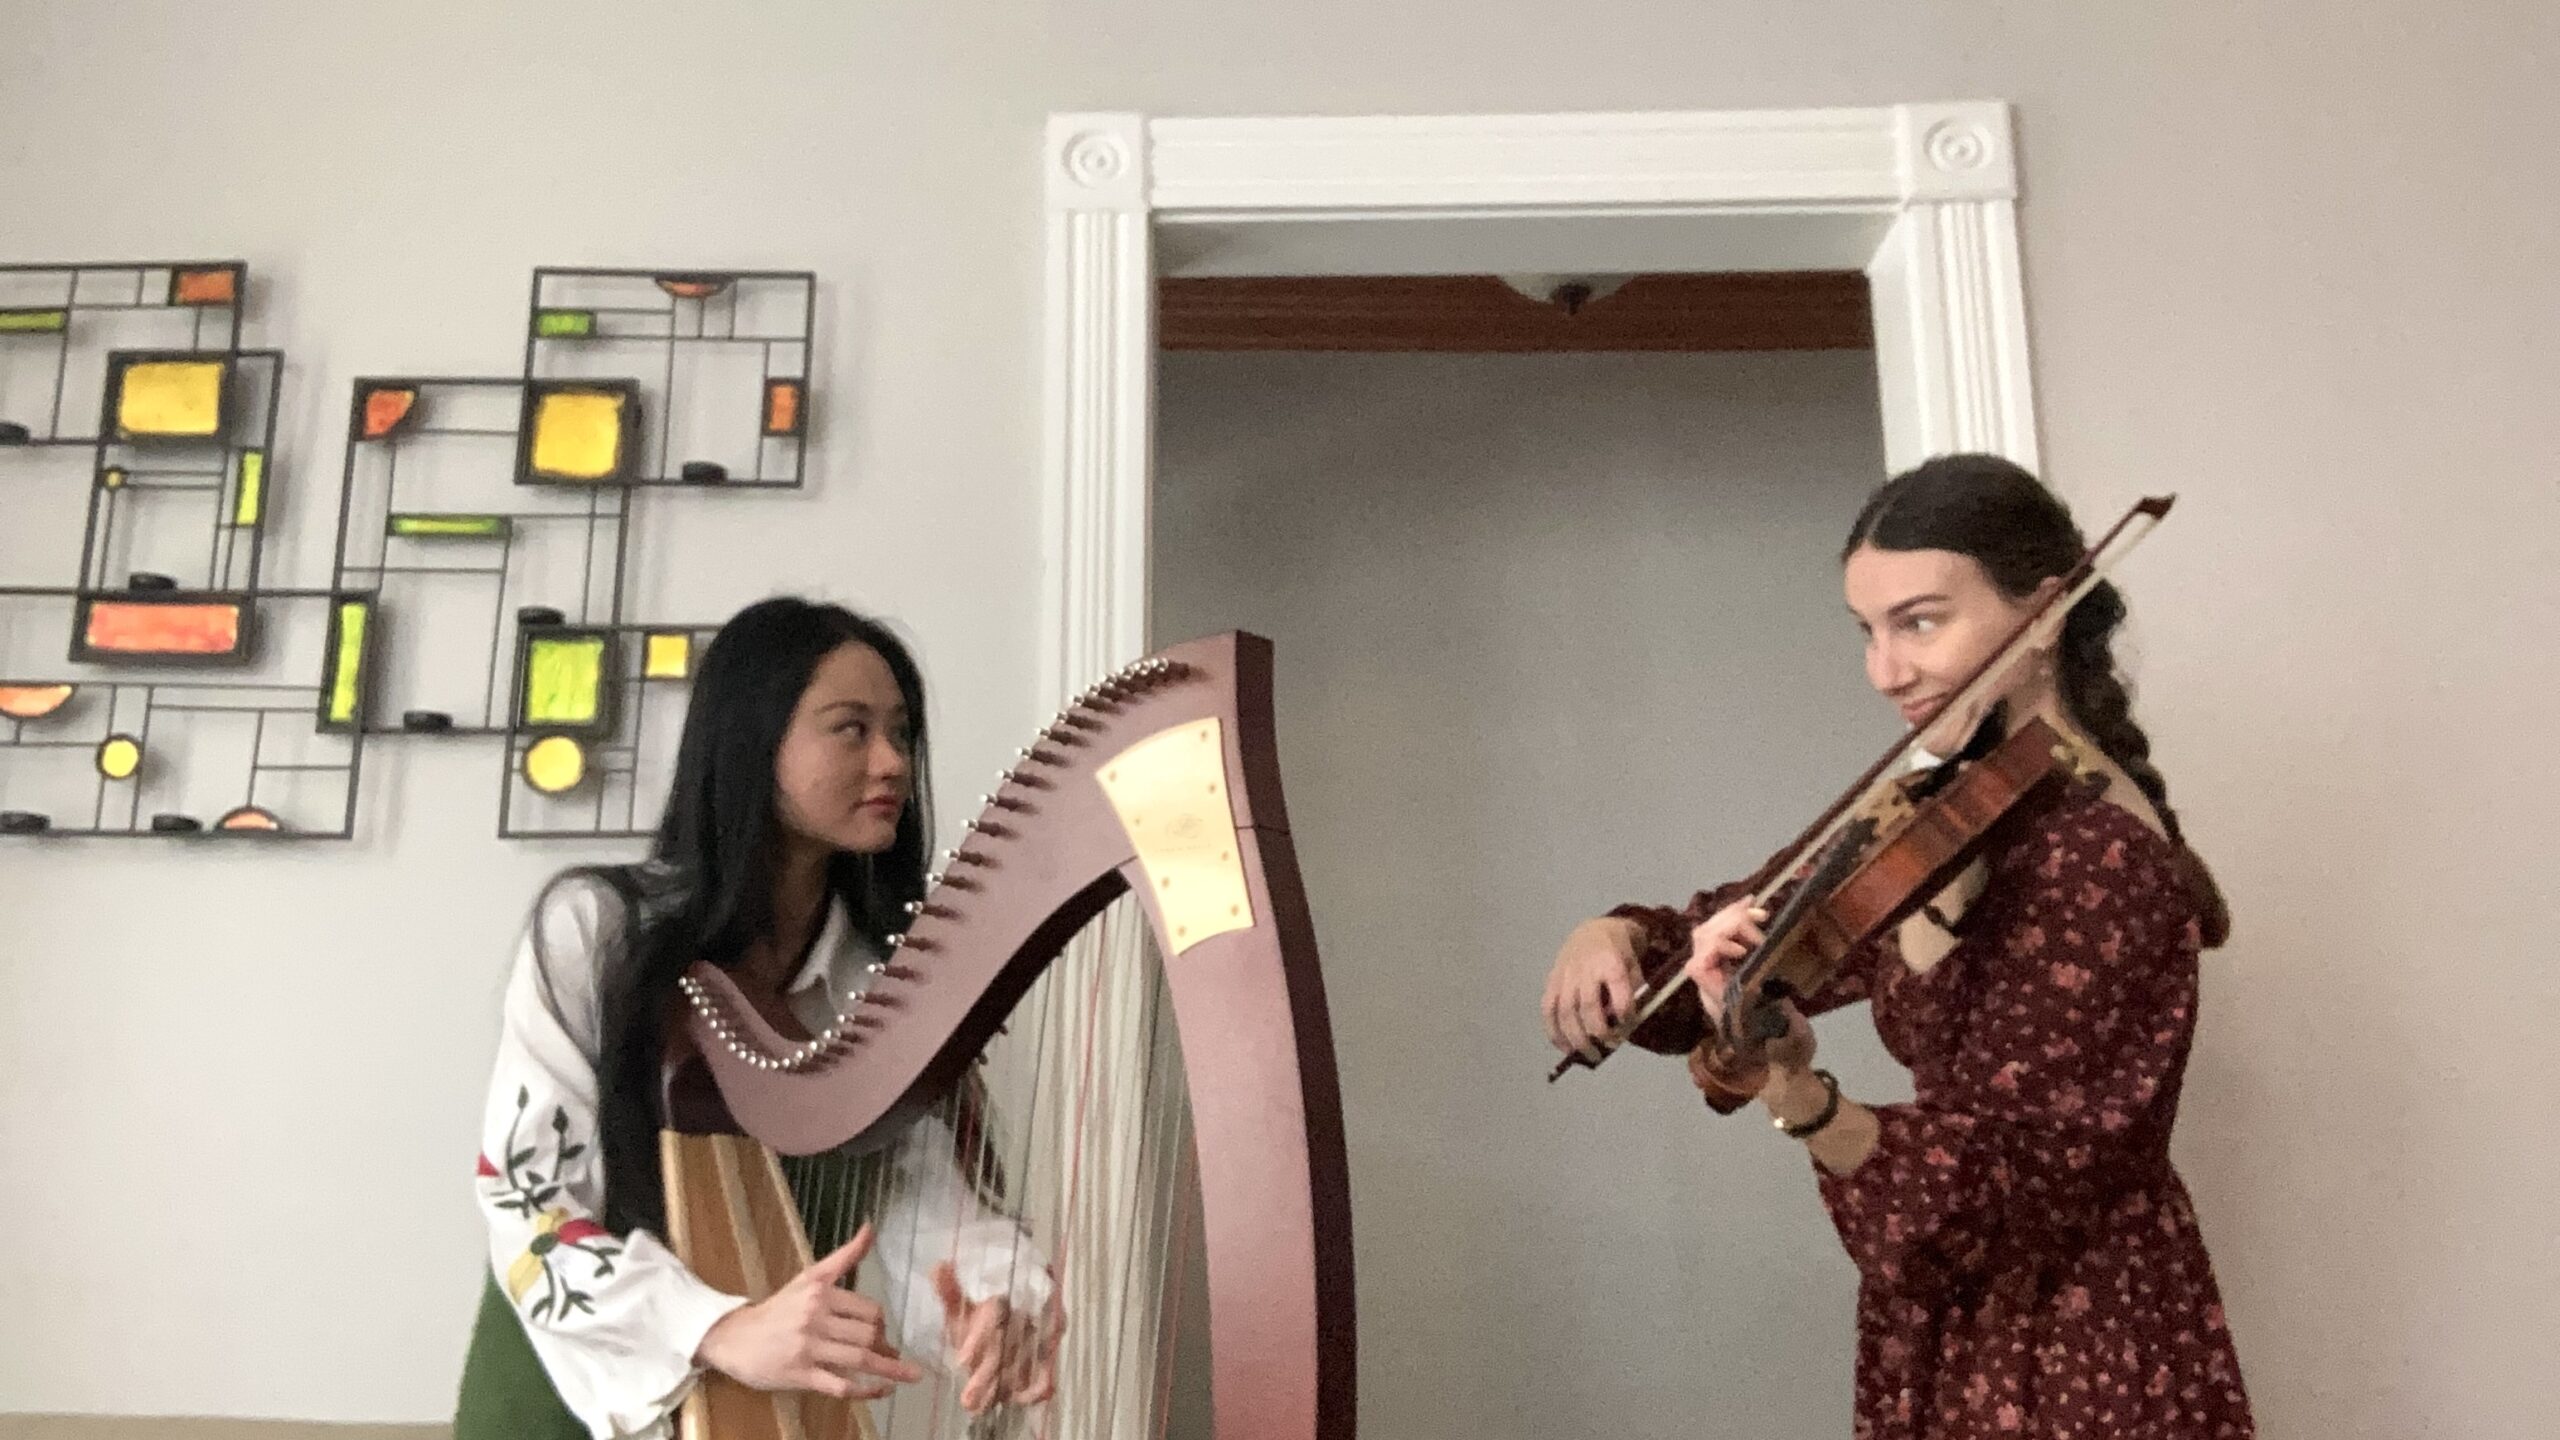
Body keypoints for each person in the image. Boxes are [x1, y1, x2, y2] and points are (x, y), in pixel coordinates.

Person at [1541, 455, 2254, 1438]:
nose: (1885, 671)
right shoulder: (1938, 810)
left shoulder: (2097, 859)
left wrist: (1795, 1092)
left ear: (2044, 613)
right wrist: (1614, 936)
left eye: (1919, 622)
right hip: (1961, 1322)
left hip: (2069, 1339)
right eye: (1867, 632)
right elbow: (1754, 919)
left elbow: (1998, 1194)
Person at [455, 597, 1063, 1439]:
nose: (891, 760)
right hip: (568, 1399)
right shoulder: (596, 932)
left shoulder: (883, 985)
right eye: (851, 729)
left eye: (901, 731)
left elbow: (934, 1203)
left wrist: (992, 1307)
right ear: (751, 741)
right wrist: (718, 1328)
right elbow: (530, 1201)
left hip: (778, 1410)